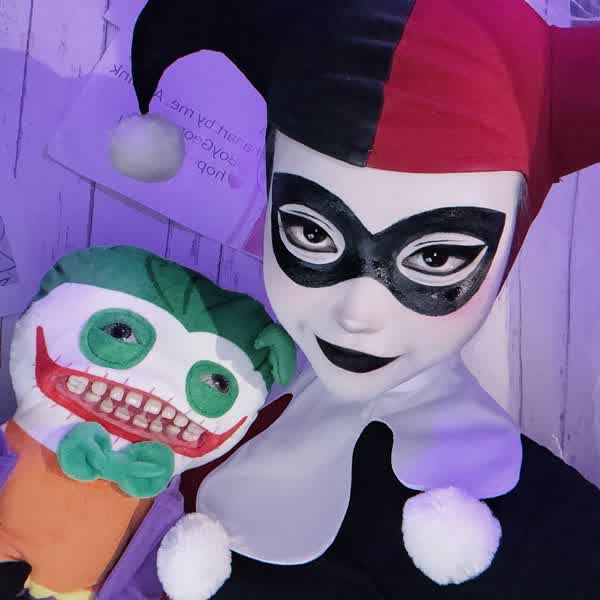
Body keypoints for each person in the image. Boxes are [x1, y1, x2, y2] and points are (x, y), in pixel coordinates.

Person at [115, 0, 600, 597]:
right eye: (311, 233)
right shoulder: (193, 415)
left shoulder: (559, 540)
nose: (356, 313)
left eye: (436, 257)